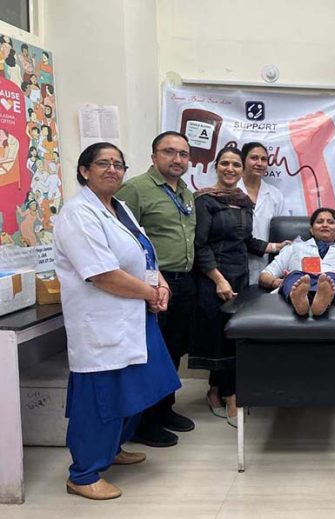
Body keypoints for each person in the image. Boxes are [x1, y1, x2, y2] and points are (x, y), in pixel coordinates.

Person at [53, 142, 180, 500]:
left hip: (134, 316)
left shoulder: (119, 207)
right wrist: (150, 293)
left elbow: (144, 254)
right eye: (103, 163)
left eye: (118, 164)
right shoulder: (78, 213)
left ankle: (113, 450)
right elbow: (102, 274)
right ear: (84, 170)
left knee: (138, 387)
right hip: (102, 322)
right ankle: (84, 474)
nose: (112, 169)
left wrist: (161, 283)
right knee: (102, 399)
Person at [189, 146, 289, 426]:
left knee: (233, 335)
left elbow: (246, 242)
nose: (230, 169)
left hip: (240, 276)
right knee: (219, 336)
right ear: (217, 166)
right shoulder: (205, 200)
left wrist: (276, 246)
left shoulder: (243, 202)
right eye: (226, 164)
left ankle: (218, 390)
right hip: (214, 277)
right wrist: (218, 279)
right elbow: (200, 245)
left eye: (234, 164)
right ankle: (230, 396)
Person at [117, 131, 196, 447]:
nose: (177, 159)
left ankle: (164, 410)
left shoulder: (186, 192)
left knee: (173, 351)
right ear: (154, 157)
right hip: (154, 286)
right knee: (150, 353)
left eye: (183, 154)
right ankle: (142, 422)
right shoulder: (136, 189)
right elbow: (124, 238)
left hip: (185, 282)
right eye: (169, 152)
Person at [238, 142, 285, 284]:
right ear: (243, 160)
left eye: (264, 159)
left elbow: (279, 232)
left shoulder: (275, 195)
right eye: (254, 158)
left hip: (265, 264)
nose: (259, 163)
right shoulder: (231, 190)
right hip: (233, 263)